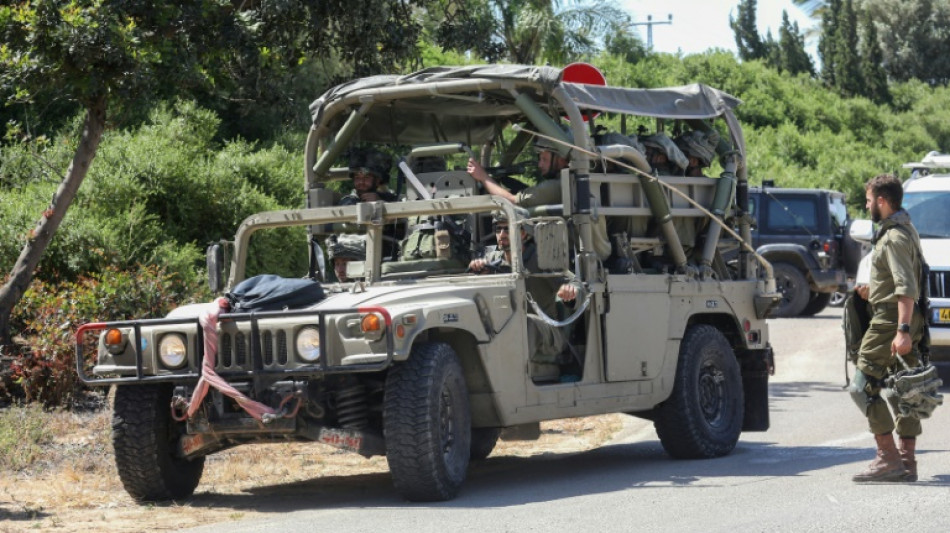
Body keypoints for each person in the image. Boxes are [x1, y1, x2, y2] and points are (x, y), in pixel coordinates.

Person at [850, 173, 926, 483]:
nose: (867, 205)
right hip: (897, 315)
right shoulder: (906, 229)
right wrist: (873, 290)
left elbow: (905, 286)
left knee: (861, 387)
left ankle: (887, 458)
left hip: (889, 320)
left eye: (869, 200)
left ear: (882, 201)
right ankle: (906, 461)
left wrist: (902, 330)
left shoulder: (894, 237)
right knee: (900, 388)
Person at [466, 126, 611, 260]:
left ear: (561, 159)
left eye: (544, 159)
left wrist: (482, 176)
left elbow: (511, 201)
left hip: (574, 258)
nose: (540, 164)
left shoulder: (556, 186)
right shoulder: (581, 182)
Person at [469, 210, 583, 368]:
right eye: (498, 229)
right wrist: (477, 274)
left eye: (508, 229)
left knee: (524, 321)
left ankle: (513, 371)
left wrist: (571, 292)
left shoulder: (541, 260)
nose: (501, 235)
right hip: (504, 328)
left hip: (546, 333)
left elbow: (577, 285)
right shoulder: (491, 261)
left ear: (524, 233)